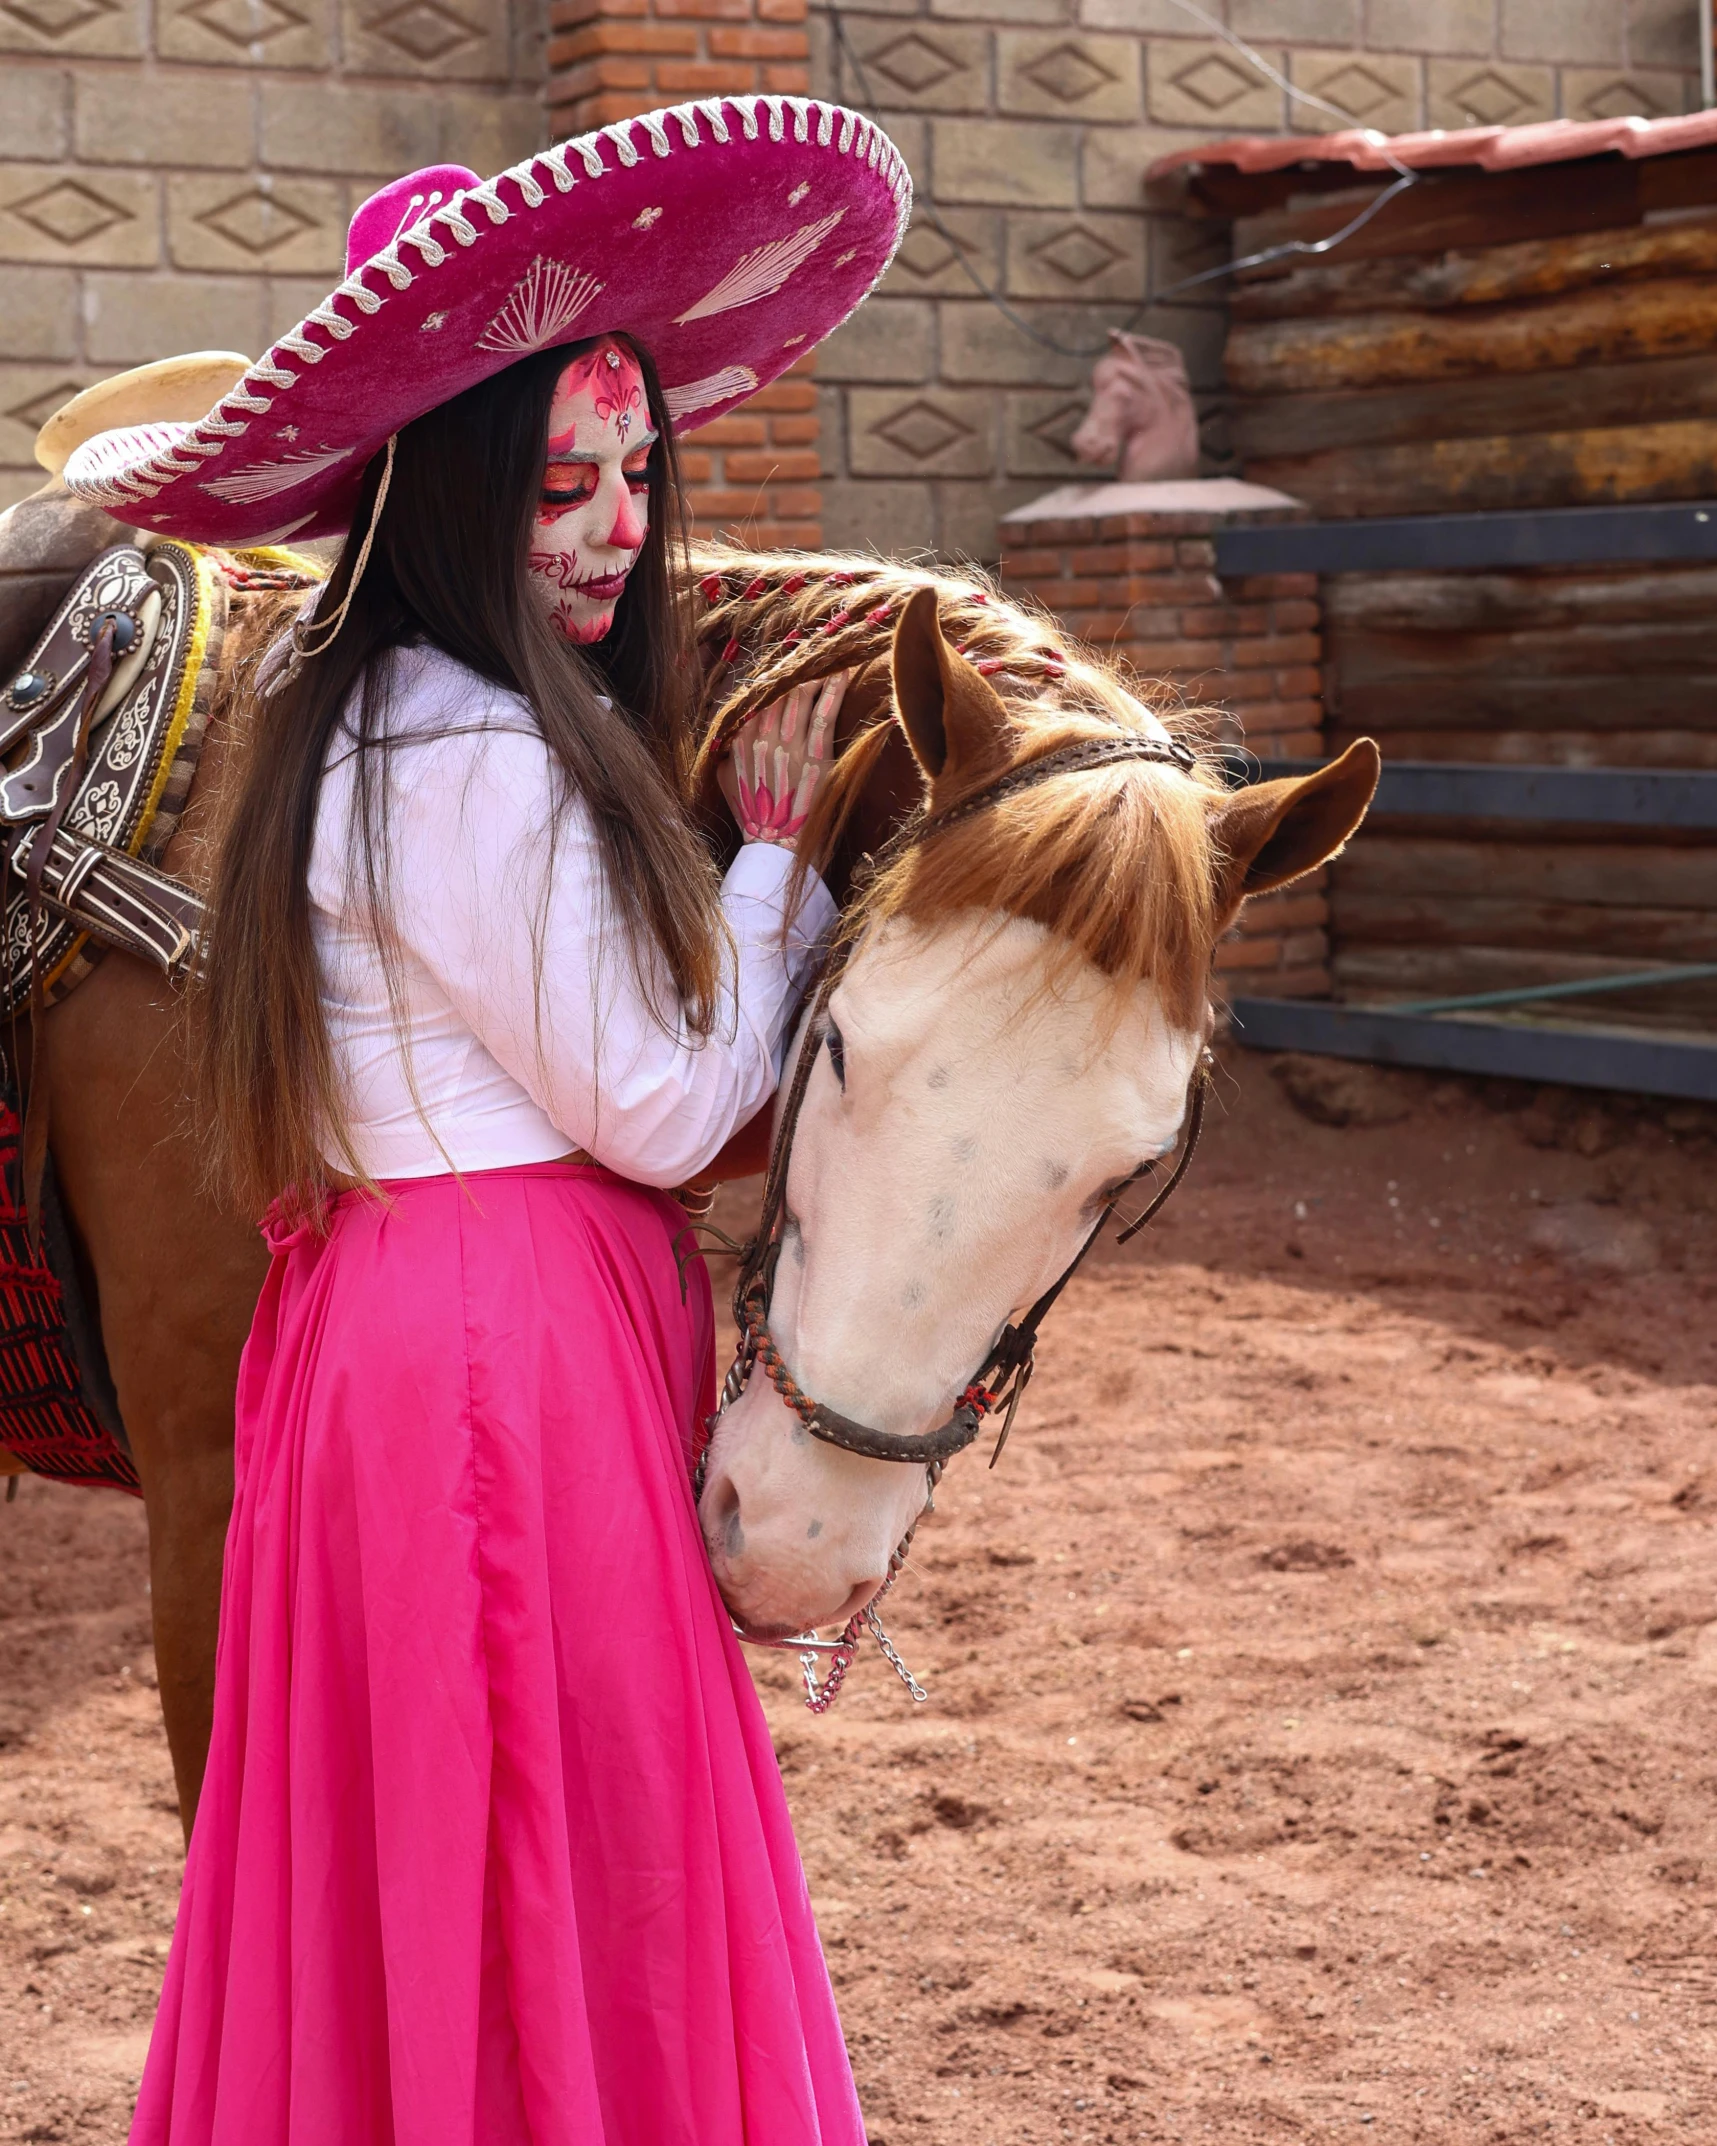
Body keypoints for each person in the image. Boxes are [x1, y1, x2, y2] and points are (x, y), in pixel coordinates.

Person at [63, 105, 910, 2145]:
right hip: (500, 1366)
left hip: (409, 1333)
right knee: (550, 1810)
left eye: (635, 475)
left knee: (445, 1814)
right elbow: (664, 1114)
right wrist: (781, 868)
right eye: (560, 486)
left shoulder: (373, 713)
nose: (619, 524)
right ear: (452, 494)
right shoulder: (475, 755)